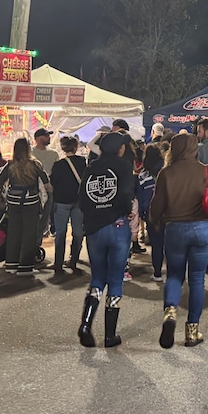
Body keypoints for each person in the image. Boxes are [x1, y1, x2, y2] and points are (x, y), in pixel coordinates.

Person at [150, 131, 208, 348]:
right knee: (197, 280)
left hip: (175, 229)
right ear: (196, 148)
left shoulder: (166, 173)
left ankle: (170, 311)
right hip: (203, 230)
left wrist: (155, 223)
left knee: (174, 275)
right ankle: (192, 332)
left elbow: (156, 205)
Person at [77, 130, 137, 348]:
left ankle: (85, 324)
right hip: (116, 226)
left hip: (94, 228)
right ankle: (109, 335)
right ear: (118, 148)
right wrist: (126, 210)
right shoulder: (123, 166)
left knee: (97, 278)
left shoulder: (91, 167)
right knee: (115, 279)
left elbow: (82, 199)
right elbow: (126, 194)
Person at [0, 137, 51, 274]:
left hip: (13, 202)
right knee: (29, 234)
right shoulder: (35, 164)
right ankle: (25, 267)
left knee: (14, 233)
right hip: (31, 202)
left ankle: (11, 264)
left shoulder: (10, 164)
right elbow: (47, 183)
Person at [50, 135, 87, 273]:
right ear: (76, 147)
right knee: (78, 232)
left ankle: (58, 262)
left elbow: (53, 182)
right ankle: (73, 259)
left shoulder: (58, 165)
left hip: (61, 202)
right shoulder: (83, 162)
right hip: (78, 202)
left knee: (60, 233)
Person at [136, 141, 165, 278]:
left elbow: (140, 197)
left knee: (156, 243)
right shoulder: (166, 171)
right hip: (167, 211)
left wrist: (142, 214)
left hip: (151, 212)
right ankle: (173, 273)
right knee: (170, 243)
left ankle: (157, 273)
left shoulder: (142, 175)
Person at [31, 128, 60, 237]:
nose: (49, 137)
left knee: (47, 211)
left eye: (49, 135)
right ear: (37, 138)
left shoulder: (54, 154)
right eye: (46, 135)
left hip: (49, 187)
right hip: (33, 187)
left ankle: (43, 231)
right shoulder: (30, 153)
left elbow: (57, 172)